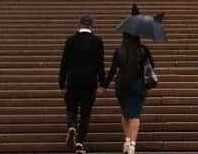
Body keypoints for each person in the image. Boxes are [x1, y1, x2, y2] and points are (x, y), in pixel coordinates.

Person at [59, 14, 105, 153]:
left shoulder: (70, 40)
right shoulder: (97, 41)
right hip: (90, 83)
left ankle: (72, 126)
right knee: (85, 113)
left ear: (78, 24)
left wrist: (62, 84)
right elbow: (100, 65)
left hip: (73, 82)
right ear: (92, 25)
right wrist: (102, 84)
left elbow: (64, 64)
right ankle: (79, 143)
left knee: (71, 109)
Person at [106, 30, 155, 154]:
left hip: (121, 85)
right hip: (137, 84)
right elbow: (151, 66)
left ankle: (127, 141)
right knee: (135, 114)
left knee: (126, 112)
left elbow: (112, 70)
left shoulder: (119, 50)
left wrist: (104, 85)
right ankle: (132, 144)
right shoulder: (143, 50)